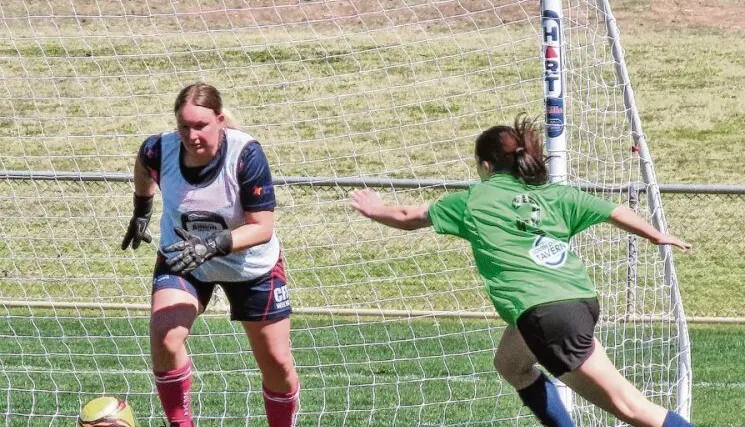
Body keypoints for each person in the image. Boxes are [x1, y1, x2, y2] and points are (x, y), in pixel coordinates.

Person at [350, 113, 695, 427]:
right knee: (510, 364)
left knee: (631, 407)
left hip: (545, 315)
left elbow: (409, 217)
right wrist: (655, 234)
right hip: (577, 301)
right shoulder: (555, 196)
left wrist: (375, 208)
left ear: (485, 166)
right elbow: (614, 211)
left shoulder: (475, 199)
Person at [121, 83, 299, 427]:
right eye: (183, 126)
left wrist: (212, 245)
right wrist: (142, 209)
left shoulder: (245, 154)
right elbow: (144, 163)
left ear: (219, 120)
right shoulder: (161, 149)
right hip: (185, 259)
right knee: (165, 335)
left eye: (200, 126)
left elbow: (261, 227)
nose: (191, 135)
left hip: (251, 265)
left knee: (277, 362)